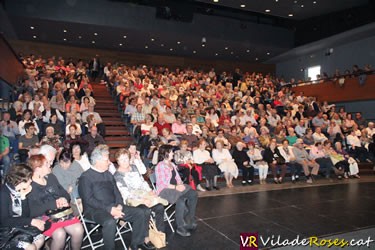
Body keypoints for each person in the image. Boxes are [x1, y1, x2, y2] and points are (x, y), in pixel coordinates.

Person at [78, 145, 155, 250]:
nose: (109, 162)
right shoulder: (85, 177)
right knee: (110, 221)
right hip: (94, 210)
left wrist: (119, 205)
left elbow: (116, 192)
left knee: (140, 213)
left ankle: (135, 244)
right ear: (98, 161)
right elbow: (89, 200)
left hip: (114, 206)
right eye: (106, 160)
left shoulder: (108, 174)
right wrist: (110, 209)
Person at [27, 154, 83, 250]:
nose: (50, 165)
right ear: (37, 169)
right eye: (46, 164)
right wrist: (53, 204)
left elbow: (64, 193)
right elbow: (31, 211)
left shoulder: (51, 177)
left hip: (60, 213)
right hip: (42, 217)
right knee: (60, 234)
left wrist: (64, 199)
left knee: (78, 229)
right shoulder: (28, 185)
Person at [113, 148, 166, 233]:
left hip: (143, 195)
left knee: (159, 207)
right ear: (118, 161)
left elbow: (142, 182)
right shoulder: (117, 176)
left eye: (126, 158)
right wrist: (142, 200)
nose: (125, 161)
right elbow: (126, 194)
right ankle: (145, 237)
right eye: (122, 160)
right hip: (131, 200)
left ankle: (160, 233)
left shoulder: (133, 167)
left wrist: (149, 191)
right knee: (145, 210)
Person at [155, 144, 198, 237]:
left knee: (193, 194)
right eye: (171, 152)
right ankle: (180, 227)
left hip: (175, 188)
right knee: (180, 200)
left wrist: (180, 184)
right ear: (165, 153)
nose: (173, 153)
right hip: (165, 190)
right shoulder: (160, 166)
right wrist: (176, 187)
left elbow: (177, 178)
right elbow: (163, 183)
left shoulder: (173, 164)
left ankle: (190, 219)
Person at [0, 164, 45, 250]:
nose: (31, 181)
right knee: (31, 247)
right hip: (5, 233)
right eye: (29, 179)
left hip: (16, 228)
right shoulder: (4, 193)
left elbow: (25, 216)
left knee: (40, 238)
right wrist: (31, 221)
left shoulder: (19, 191)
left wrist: (23, 197)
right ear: (20, 181)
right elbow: (4, 221)